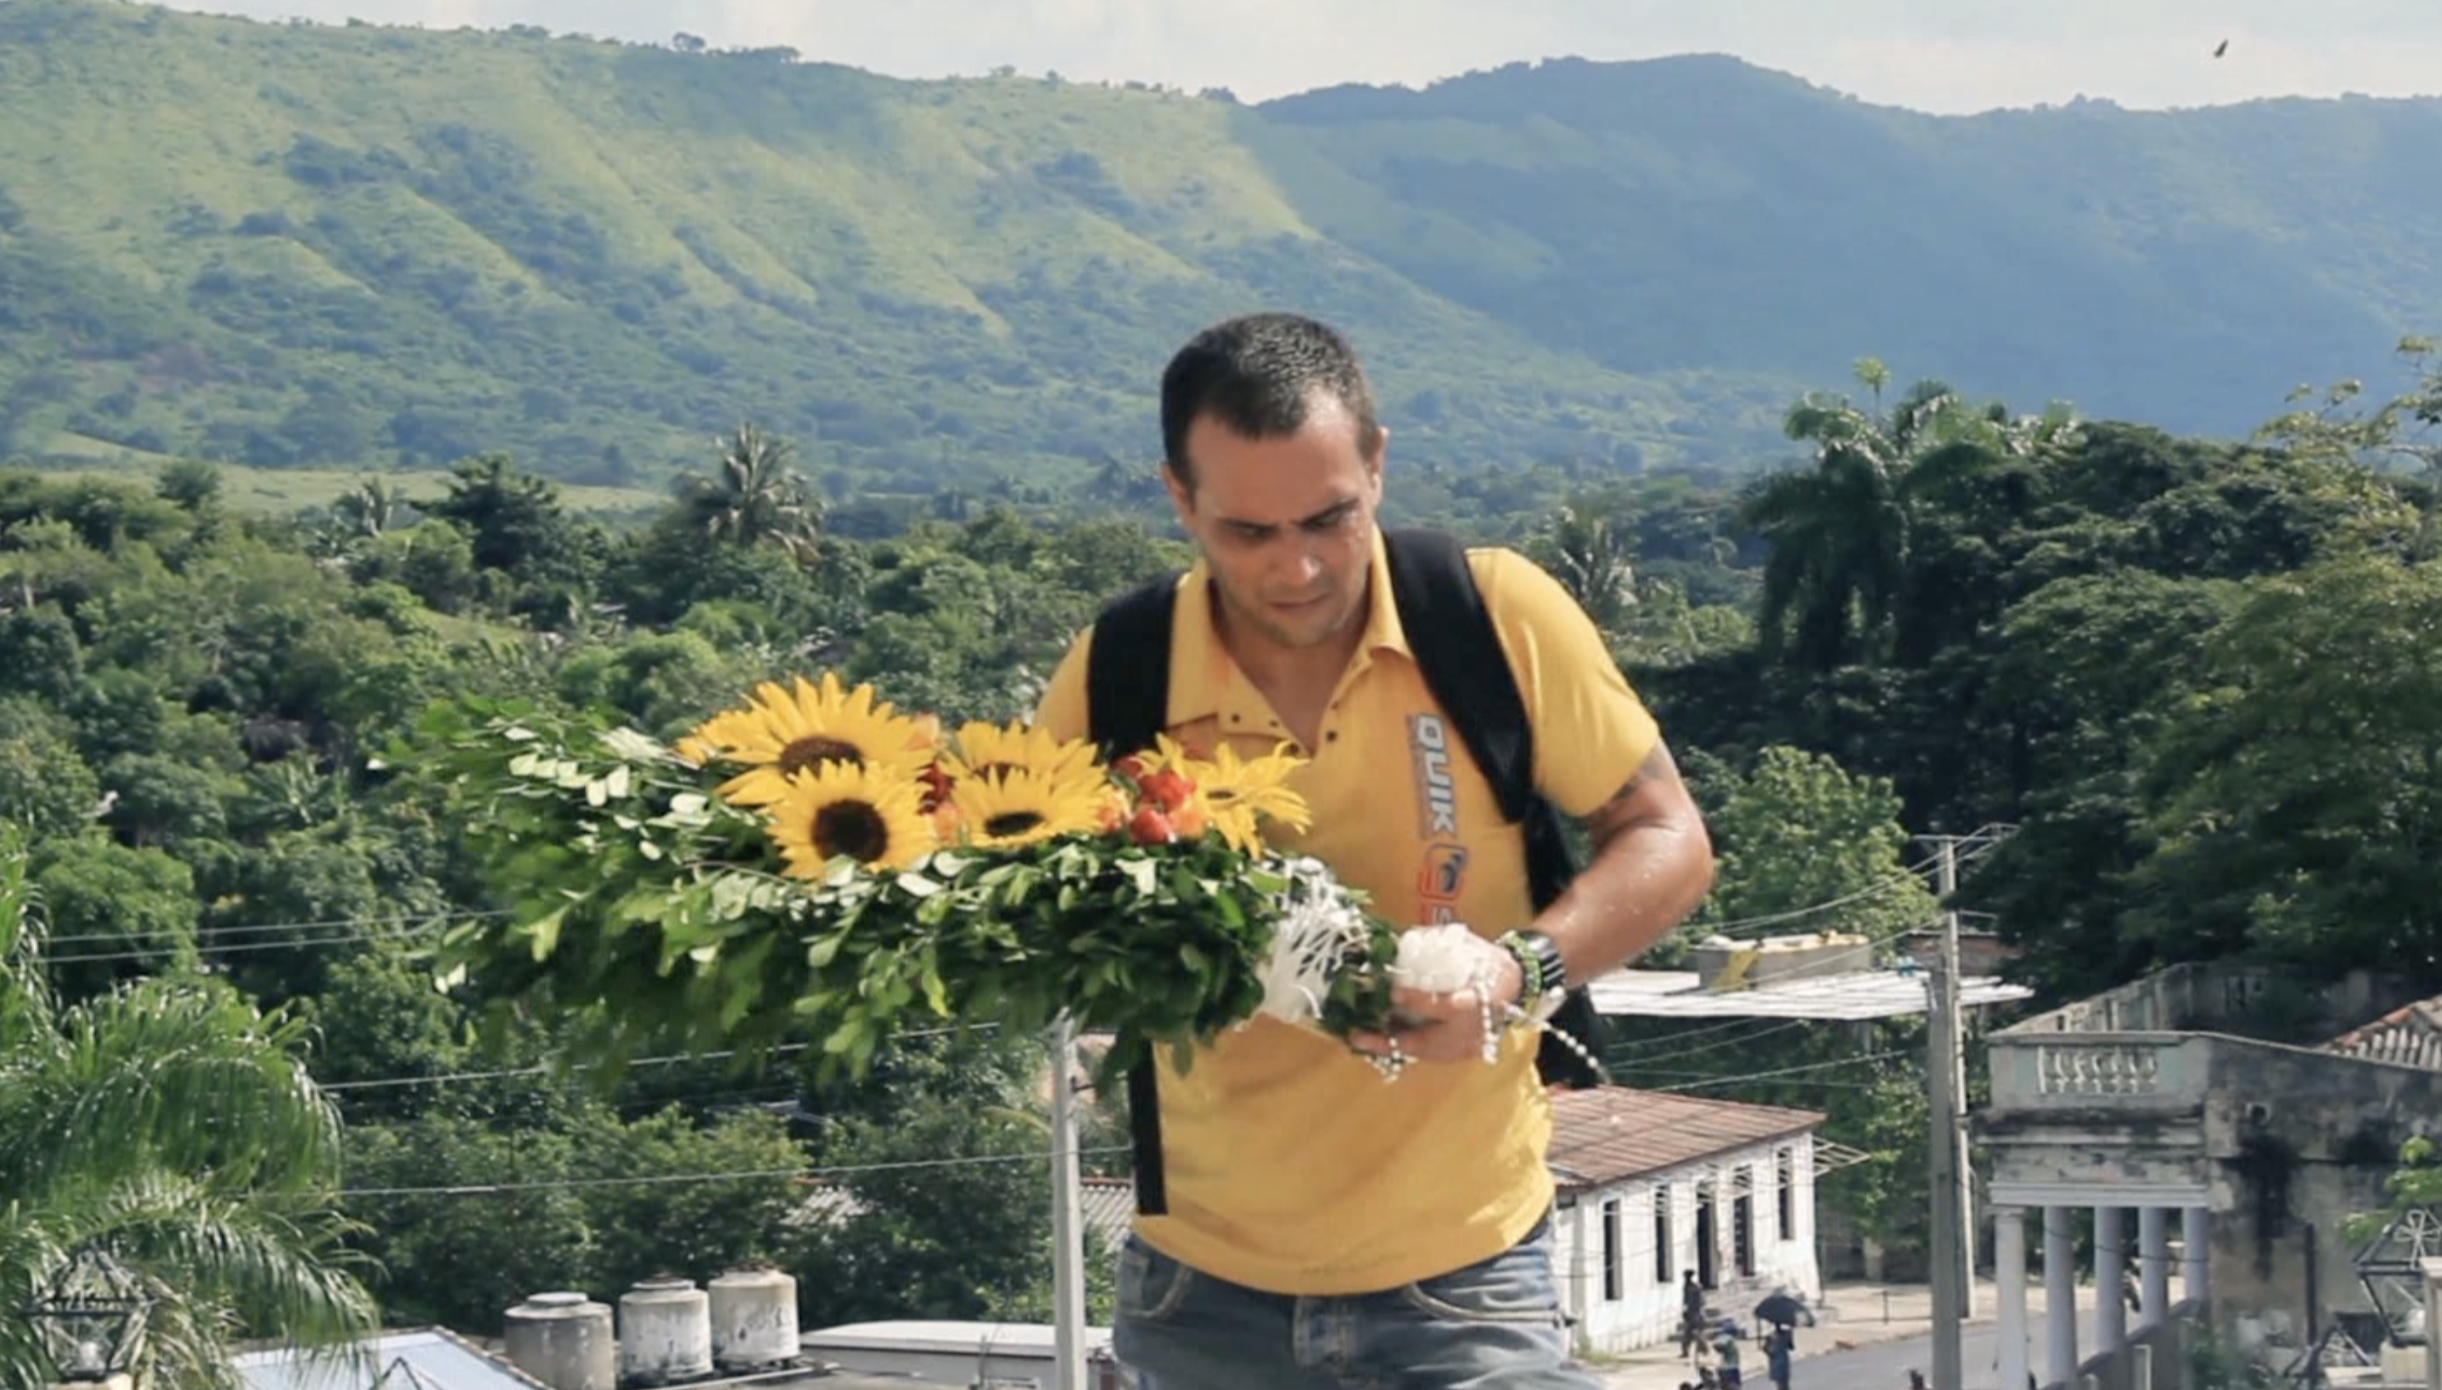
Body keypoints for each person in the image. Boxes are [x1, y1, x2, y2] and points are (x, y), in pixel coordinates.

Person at [1033, 311, 1716, 1388]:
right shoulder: (1123, 670)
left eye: (1328, 518)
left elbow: (1667, 835)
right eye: (1248, 532)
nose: (1298, 567)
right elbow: (1031, 899)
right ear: (1179, 498)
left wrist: (1515, 970)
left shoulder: (1489, 616)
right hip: (1200, 1291)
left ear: (1380, 465)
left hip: (1463, 1277)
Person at [1681, 1270, 1709, 1355]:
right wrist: (1685, 1311)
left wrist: (1698, 1311)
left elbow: (1702, 1301)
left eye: (1687, 1277)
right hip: (1691, 1313)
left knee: (1697, 1333)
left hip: (1697, 1313)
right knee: (1688, 1334)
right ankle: (1686, 1351)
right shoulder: (1686, 1287)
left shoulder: (1696, 1287)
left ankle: (1704, 1349)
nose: (1686, 1279)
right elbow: (1685, 1301)